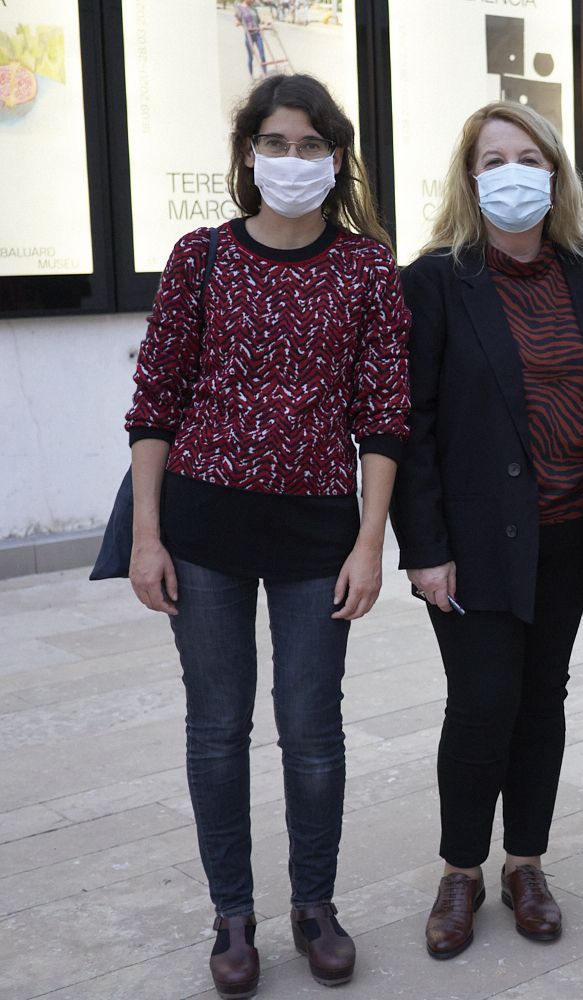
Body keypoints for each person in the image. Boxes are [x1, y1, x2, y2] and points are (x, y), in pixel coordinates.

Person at [124, 74, 409, 999]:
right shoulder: (199, 257)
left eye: (311, 145)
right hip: (203, 530)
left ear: (337, 159)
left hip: (317, 537)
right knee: (217, 729)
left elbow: (384, 413)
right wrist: (147, 535)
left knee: (310, 730)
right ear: (249, 153)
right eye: (276, 143)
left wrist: (371, 543)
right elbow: (155, 403)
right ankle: (232, 915)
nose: (293, 160)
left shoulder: (366, 267)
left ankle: (315, 907)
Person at [390, 101, 583, 958]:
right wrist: (427, 549)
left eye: (528, 157)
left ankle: (526, 863)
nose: (512, 173)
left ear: (554, 173)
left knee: (542, 700)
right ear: (469, 176)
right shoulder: (436, 280)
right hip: (475, 542)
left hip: (568, 532)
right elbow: (411, 425)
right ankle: (461, 871)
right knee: (482, 703)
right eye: (493, 160)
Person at [233, 2, 267, 79]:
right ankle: (251, 75)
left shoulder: (254, 8)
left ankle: (265, 75)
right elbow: (236, 22)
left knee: (262, 55)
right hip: (249, 35)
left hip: (257, 34)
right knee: (251, 57)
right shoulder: (240, 8)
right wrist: (238, 22)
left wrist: (264, 24)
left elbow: (259, 21)